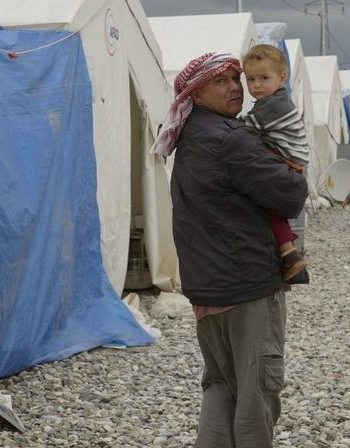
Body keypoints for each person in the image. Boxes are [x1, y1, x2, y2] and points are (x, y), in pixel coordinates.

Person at [150, 52, 308, 447]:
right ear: (196, 93)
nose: (236, 87)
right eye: (221, 82)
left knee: (221, 385)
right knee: (255, 393)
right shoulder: (230, 139)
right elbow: (291, 195)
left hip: (207, 289)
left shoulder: (190, 136)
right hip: (246, 288)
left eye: (237, 78)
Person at [241, 44, 309, 284]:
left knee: (266, 205)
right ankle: (288, 251)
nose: (256, 85)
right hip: (290, 160)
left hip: (287, 161)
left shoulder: (272, 106)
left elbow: (243, 128)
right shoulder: (276, 101)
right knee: (273, 211)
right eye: (250, 79)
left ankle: (288, 252)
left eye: (264, 78)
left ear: (282, 78)